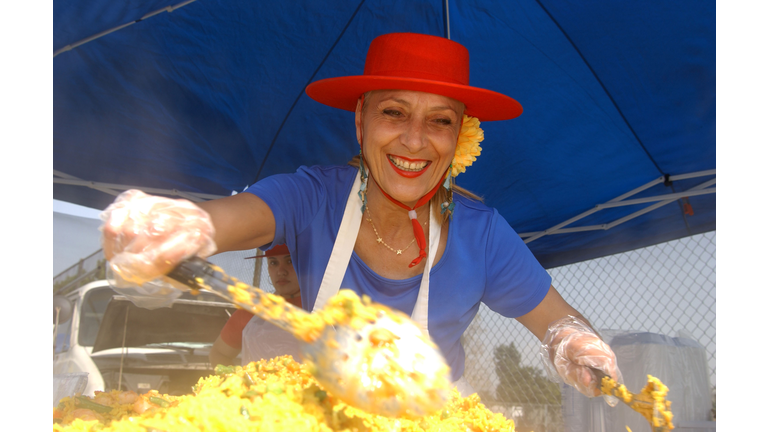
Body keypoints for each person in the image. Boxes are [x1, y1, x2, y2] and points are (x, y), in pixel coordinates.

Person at [101, 32, 622, 400]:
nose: (414, 139)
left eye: (439, 121)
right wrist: (178, 227)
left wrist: (575, 343)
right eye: (393, 112)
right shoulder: (311, 197)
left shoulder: (482, 233)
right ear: (361, 120)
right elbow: (232, 218)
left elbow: (559, 321)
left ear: (459, 137)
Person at [208, 244, 302, 366]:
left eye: (289, 261)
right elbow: (218, 354)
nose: (280, 271)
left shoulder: (327, 311)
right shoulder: (251, 311)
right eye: (273, 263)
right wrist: (237, 382)